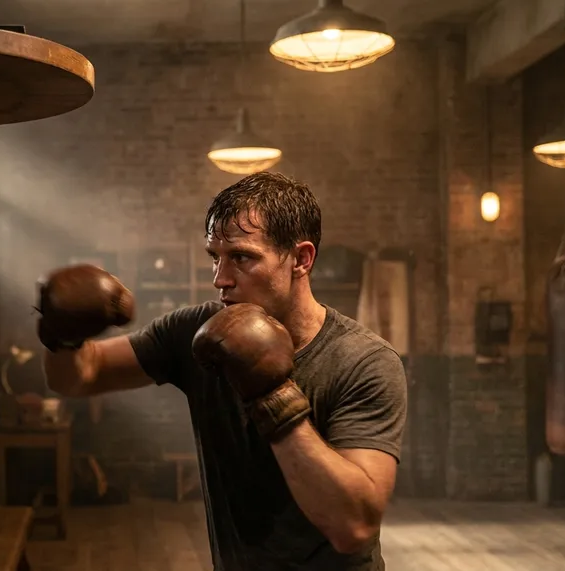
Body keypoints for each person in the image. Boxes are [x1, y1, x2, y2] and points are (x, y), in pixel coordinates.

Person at [36, 172, 408, 570]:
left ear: (301, 259)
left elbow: (353, 527)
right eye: (216, 257)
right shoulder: (196, 331)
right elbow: (80, 376)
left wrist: (273, 393)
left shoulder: (364, 361)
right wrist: (61, 334)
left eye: (242, 257)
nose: (220, 279)